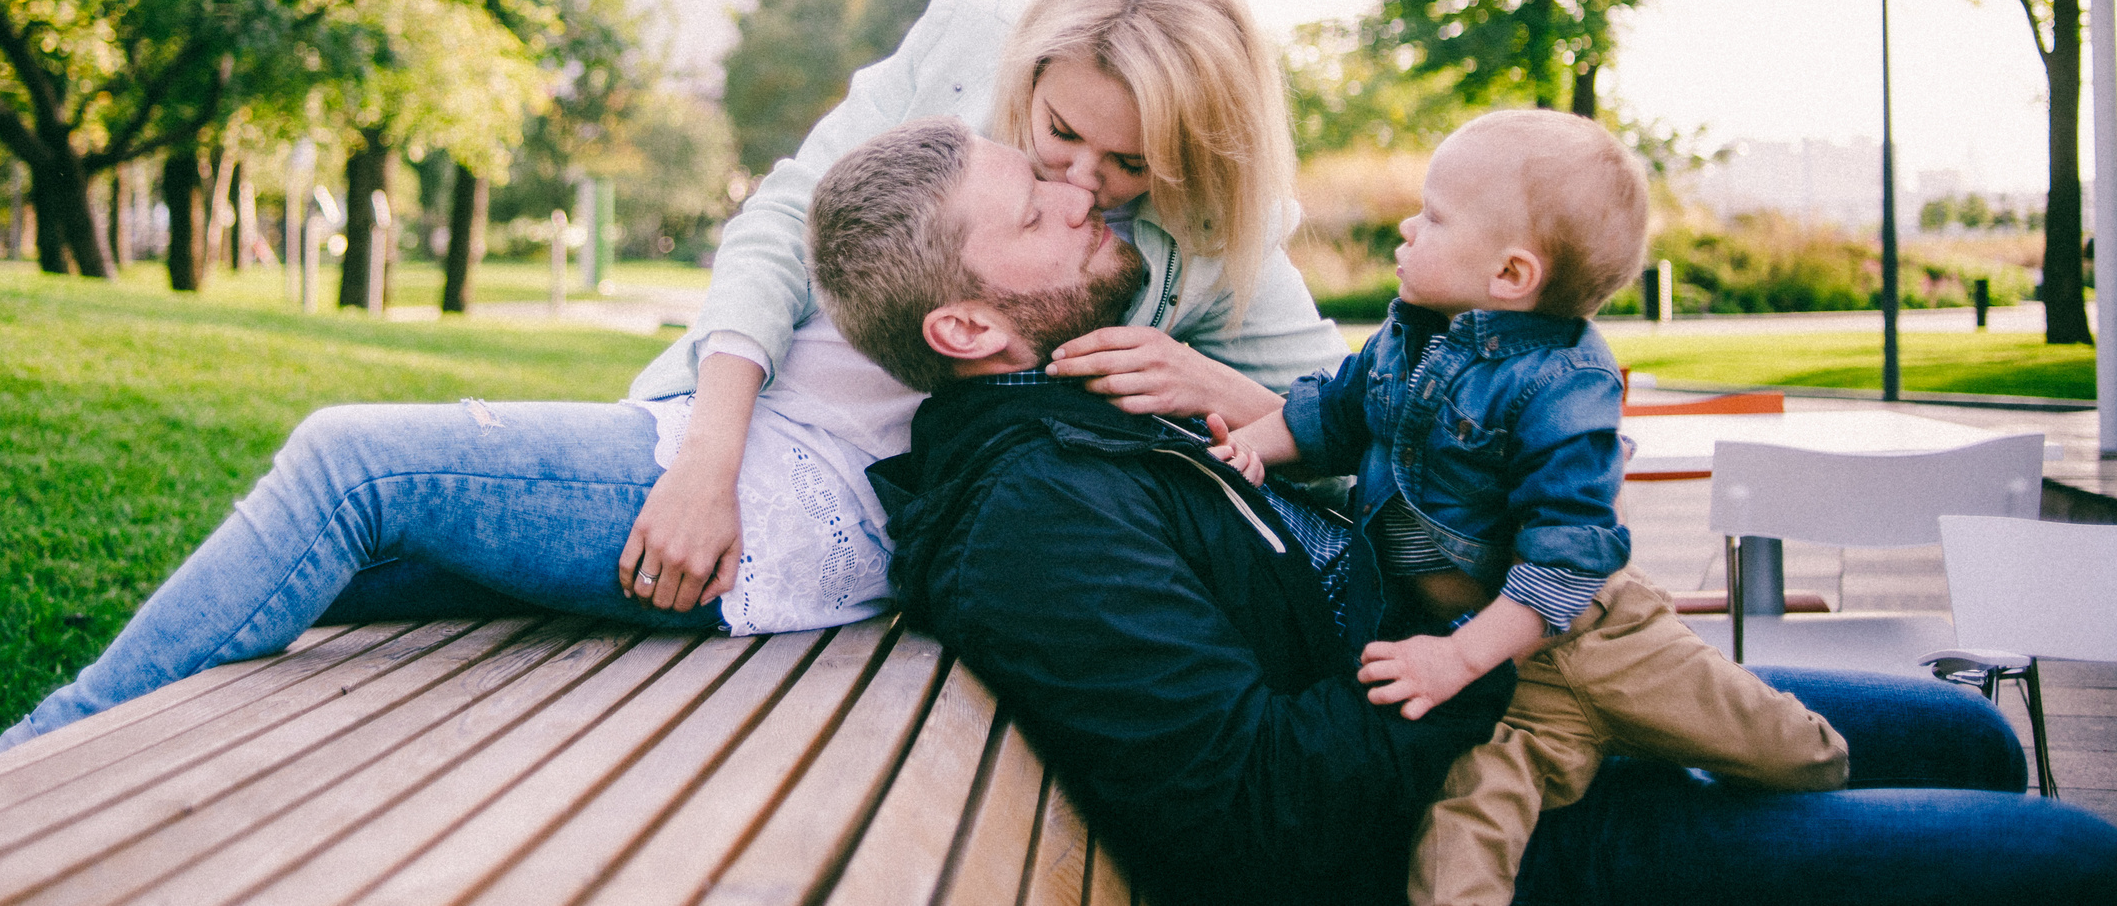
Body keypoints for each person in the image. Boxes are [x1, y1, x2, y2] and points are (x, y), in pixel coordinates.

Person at [0, 0, 1343, 749]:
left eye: (1131, 164)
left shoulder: (1222, 237)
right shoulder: (967, 41)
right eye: (1059, 139)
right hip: (726, 446)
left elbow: (1343, 416)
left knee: (351, 470)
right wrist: (706, 443)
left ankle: (10, 775)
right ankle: (102, 784)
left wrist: (1229, 391)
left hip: (817, 513)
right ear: (1029, 75)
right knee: (346, 573)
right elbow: (780, 225)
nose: (1089, 184)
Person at [808, 115, 2117, 906]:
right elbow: (1260, 806)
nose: (1081, 190)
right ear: (967, 322)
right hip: (1471, 817)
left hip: (1486, 692)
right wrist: (1497, 644)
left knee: (1961, 733)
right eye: (1035, 207)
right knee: (2064, 861)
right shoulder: (1032, 516)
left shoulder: (1074, 405)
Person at [1211, 110, 1845, 906]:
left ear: (1511, 274)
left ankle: (1861, 789)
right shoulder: (1403, 340)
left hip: (1600, 642)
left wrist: (1454, 658)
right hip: (1501, 689)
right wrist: (1254, 447)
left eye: (1434, 215)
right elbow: (1330, 414)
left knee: (1790, 750)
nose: (1407, 225)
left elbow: (1563, 564)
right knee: (1455, 850)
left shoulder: (1563, 387)